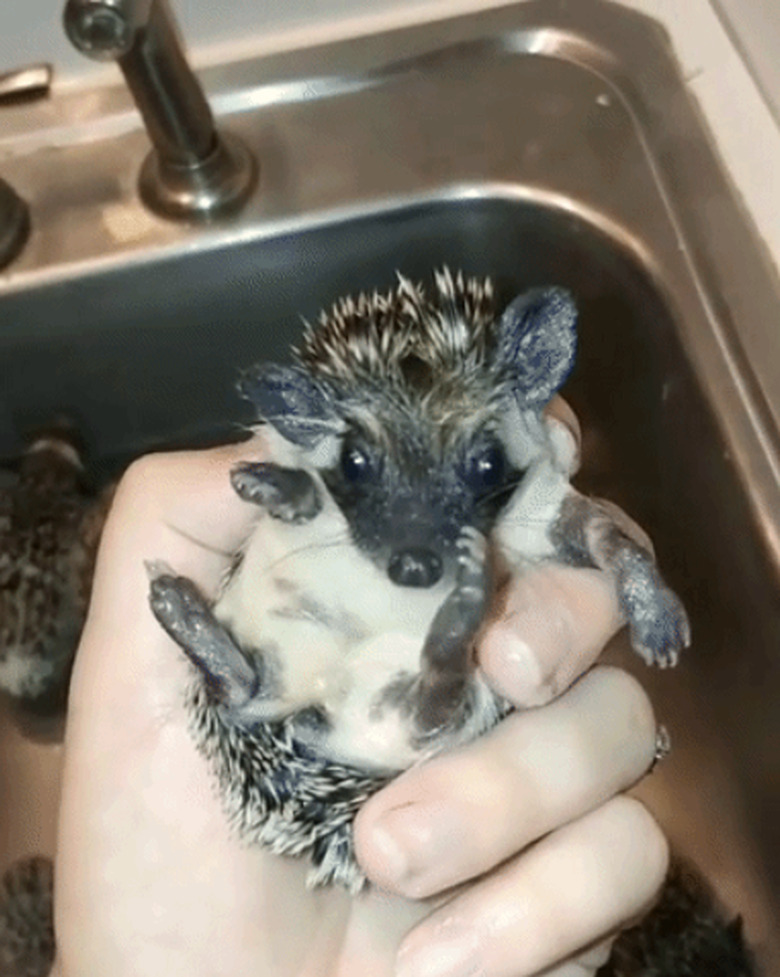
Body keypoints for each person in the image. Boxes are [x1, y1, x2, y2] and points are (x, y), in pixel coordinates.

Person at [51, 437, 668, 977]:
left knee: (321, 683)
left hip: (332, 698)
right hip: (331, 682)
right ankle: (427, 674)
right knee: (364, 683)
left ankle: (308, 682)